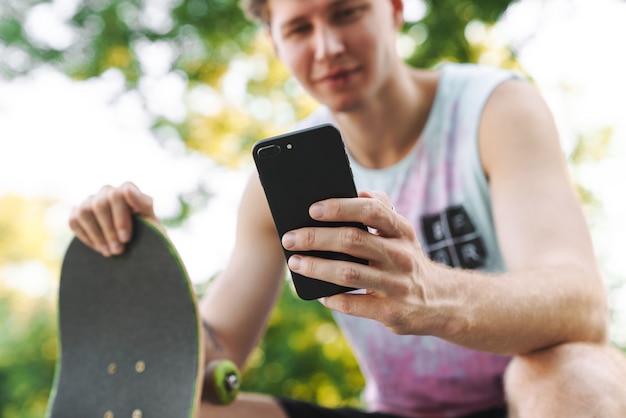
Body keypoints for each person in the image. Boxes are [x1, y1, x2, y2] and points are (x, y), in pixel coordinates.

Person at [69, 0, 626, 417]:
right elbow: (212, 372)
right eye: (299, 28)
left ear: (394, 8)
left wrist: (434, 294)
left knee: (576, 371)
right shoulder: (273, 187)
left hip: (527, 398)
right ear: (273, 42)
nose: (328, 46)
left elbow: (581, 305)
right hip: (394, 410)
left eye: (345, 12)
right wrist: (147, 266)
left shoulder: (494, 109)